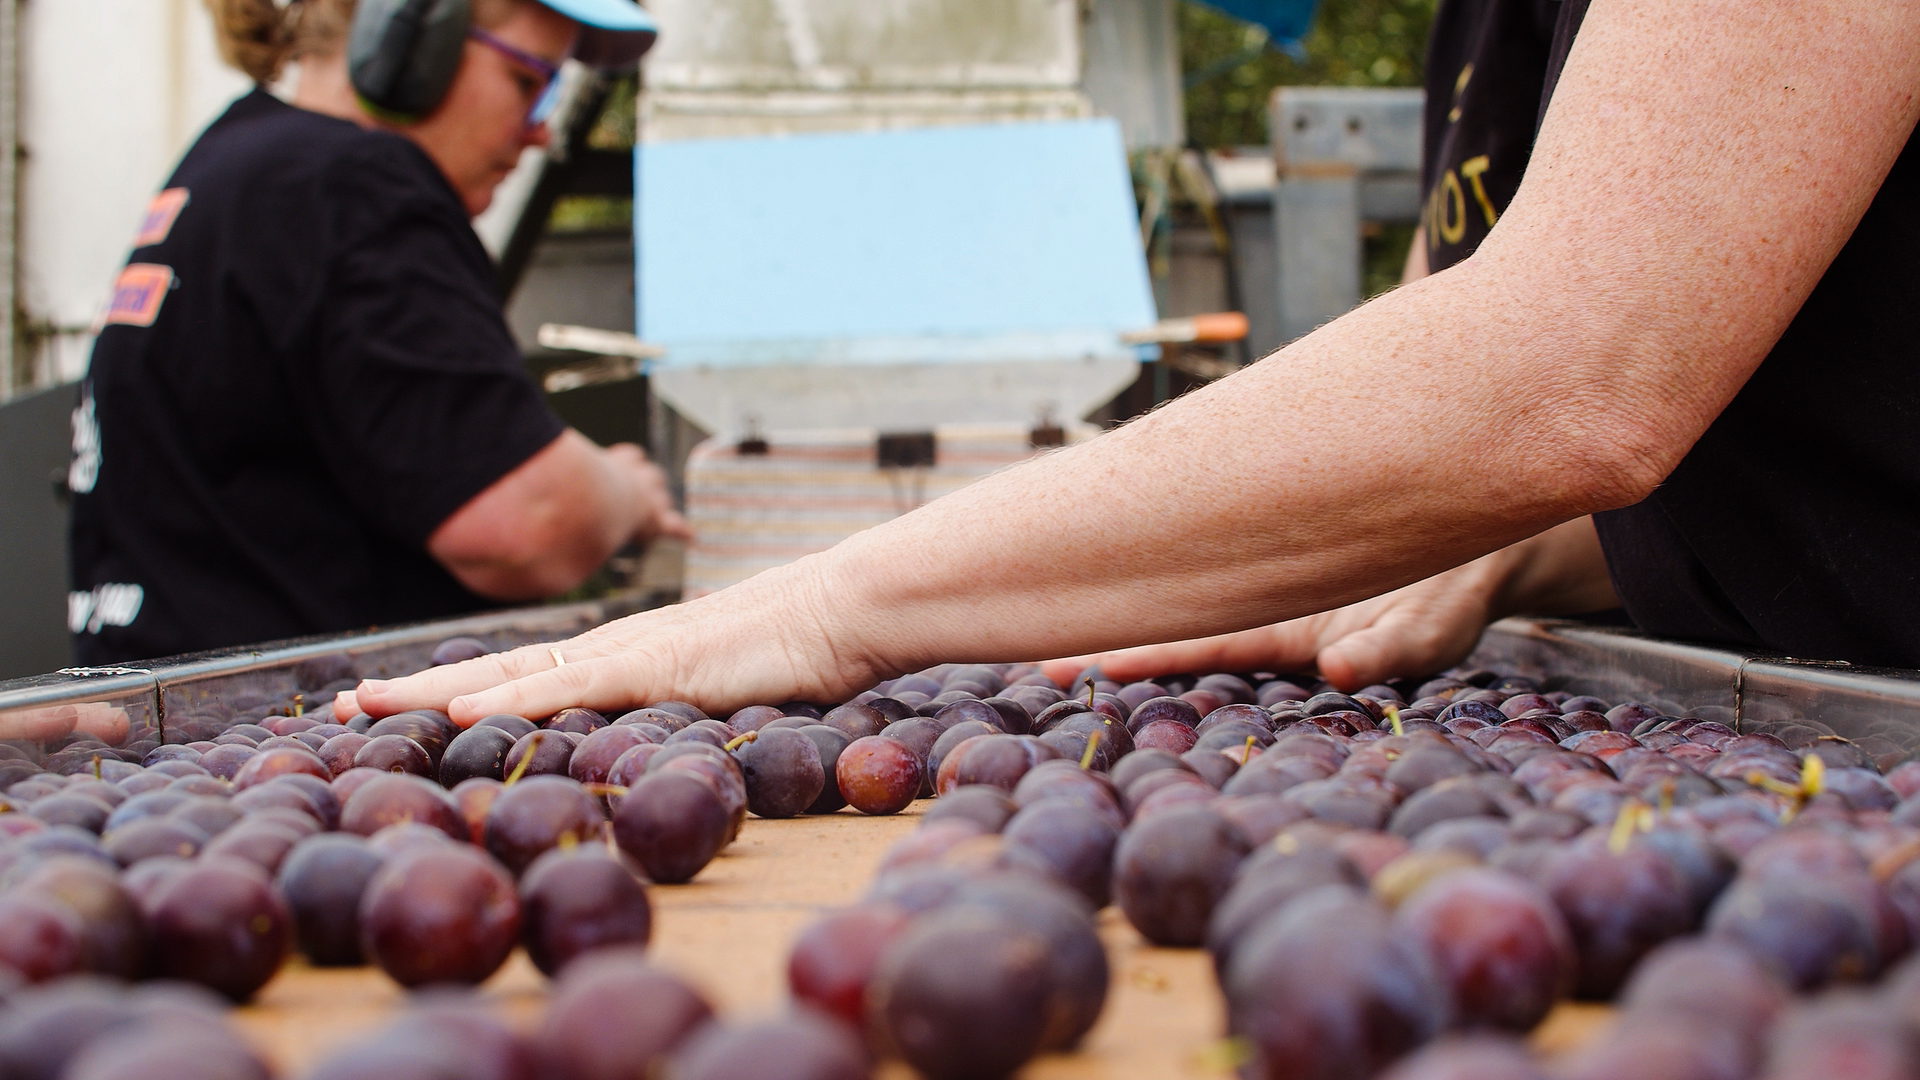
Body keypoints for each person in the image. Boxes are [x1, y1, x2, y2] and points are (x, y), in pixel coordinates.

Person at [351, 0, 1920, 725]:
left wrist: (832, 604)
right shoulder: (1491, 28)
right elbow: (1568, 424)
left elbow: (1577, 375)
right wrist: (1503, 549)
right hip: (1773, 721)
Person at [67, 0, 689, 665]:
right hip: (290, 733)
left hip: (174, 715)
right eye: (531, 84)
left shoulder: (238, 162)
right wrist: (627, 493)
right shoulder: (354, 189)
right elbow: (526, 526)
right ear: (413, 40)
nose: (540, 134)